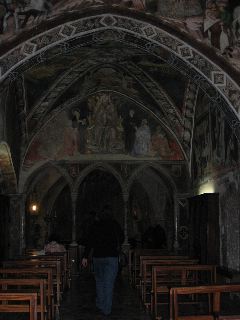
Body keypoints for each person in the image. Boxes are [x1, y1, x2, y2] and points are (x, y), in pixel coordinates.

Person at [81, 206, 124, 316]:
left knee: (99, 282)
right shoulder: (115, 225)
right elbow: (122, 238)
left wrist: (85, 256)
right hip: (111, 257)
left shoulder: (95, 225)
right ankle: (106, 309)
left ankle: (100, 304)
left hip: (98, 258)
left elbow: (89, 241)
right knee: (108, 284)